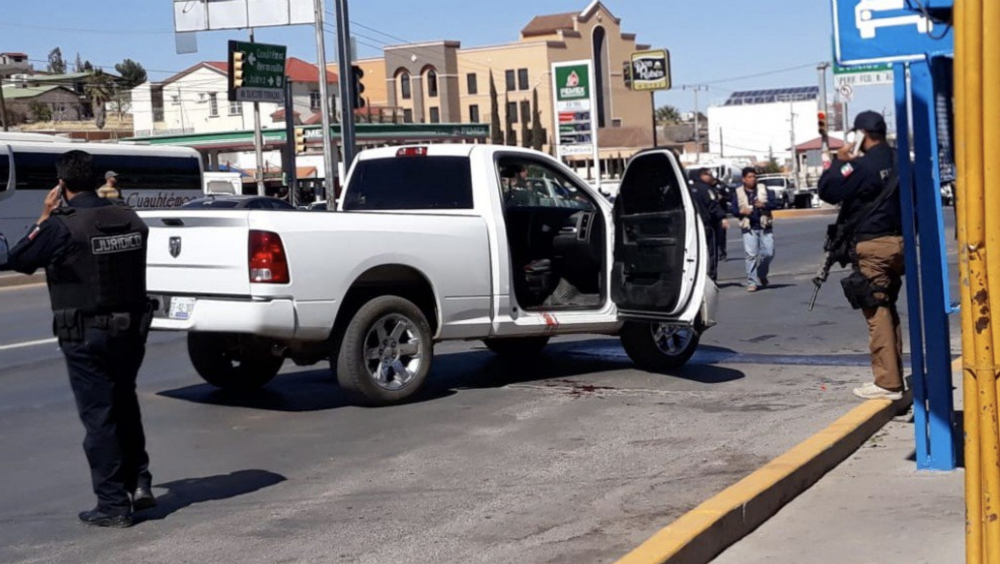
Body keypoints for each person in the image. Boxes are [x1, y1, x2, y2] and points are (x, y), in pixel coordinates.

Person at [0, 150, 156, 528]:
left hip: (87, 334)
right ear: (98, 179)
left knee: (100, 415)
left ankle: (113, 505)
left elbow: (19, 259)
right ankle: (139, 482)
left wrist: (43, 216)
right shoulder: (128, 216)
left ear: (61, 184)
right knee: (124, 403)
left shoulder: (62, 225)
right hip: (132, 330)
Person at [819, 111, 903, 401]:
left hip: (873, 246)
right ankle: (893, 375)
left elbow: (828, 190)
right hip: (899, 243)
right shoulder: (900, 160)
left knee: (876, 309)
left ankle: (888, 383)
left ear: (860, 135)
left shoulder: (862, 166)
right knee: (887, 306)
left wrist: (840, 161)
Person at [732, 168, 776, 292]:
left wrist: (764, 205)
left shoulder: (763, 189)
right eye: (750, 177)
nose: (753, 179)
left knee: (769, 253)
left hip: (764, 226)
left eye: (754, 177)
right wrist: (742, 211)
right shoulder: (738, 192)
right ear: (744, 179)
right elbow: (733, 210)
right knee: (750, 255)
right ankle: (752, 282)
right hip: (749, 227)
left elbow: (775, 203)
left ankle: (761, 273)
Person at [690, 168, 728, 281]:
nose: (711, 177)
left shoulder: (687, 189)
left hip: (691, 227)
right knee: (711, 251)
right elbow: (713, 206)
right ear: (702, 176)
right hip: (706, 225)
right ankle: (712, 276)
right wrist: (722, 217)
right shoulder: (706, 189)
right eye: (709, 175)